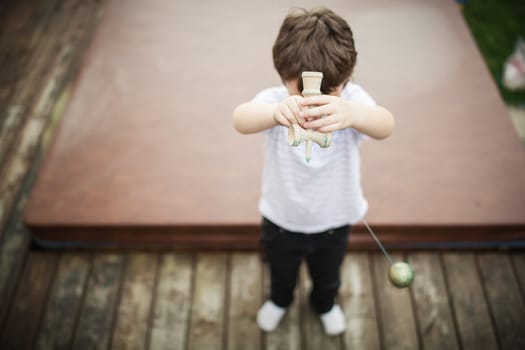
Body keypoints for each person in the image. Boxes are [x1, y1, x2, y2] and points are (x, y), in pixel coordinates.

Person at [232, 7, 394, 335]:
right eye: (301, 91)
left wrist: (353, 114)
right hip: (281, 218)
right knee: (281, 271)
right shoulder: (276, 101)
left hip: (334, 220)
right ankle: (280, 299)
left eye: (328, 92)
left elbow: (385, 125)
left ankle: (324, 303)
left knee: (328, 274)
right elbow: (241, 119)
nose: (314, 102)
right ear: (283, 79)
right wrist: (277, 112)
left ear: (345, 81)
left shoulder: (353, 103)